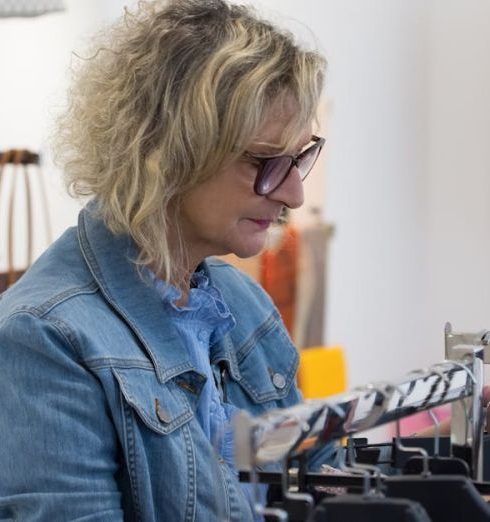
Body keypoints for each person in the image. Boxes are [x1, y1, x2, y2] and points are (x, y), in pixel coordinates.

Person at [0, 0, 334, 520]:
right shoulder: (43, 341)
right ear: (167, 152)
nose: (292, 193)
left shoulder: (243, 304)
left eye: (298, 158)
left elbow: (317, 480)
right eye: (266, 162)